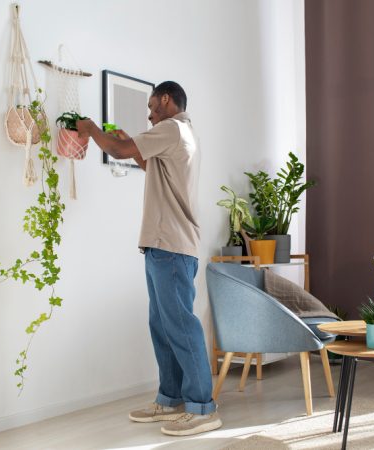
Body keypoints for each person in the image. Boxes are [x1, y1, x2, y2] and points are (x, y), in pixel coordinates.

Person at [76, 81, 221, 436]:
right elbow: (143, 161)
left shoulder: (172, 128)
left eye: (152, 106)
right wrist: (130, 143)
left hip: (170, 245)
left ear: (166, 99)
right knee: (162, 326)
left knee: (180, 326)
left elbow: (120, 150)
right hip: (163, 246)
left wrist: (91, 129)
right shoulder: (179, 134)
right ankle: (169, 398)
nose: (149, 114)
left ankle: (202, 407)